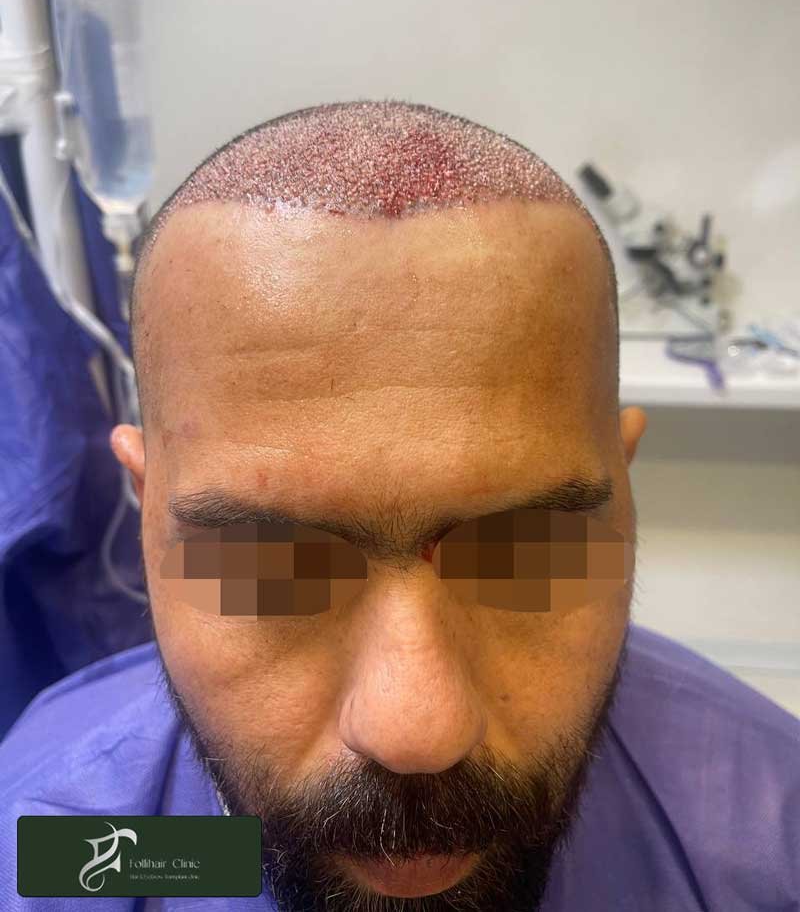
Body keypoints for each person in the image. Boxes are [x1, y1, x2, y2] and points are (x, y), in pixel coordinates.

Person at [1, 101, 798, 912]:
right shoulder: (60, 848)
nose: (417, 730)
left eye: (526, 550)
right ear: (147, 511)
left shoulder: (770, 847)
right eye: (267, 564)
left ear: (624, 493)